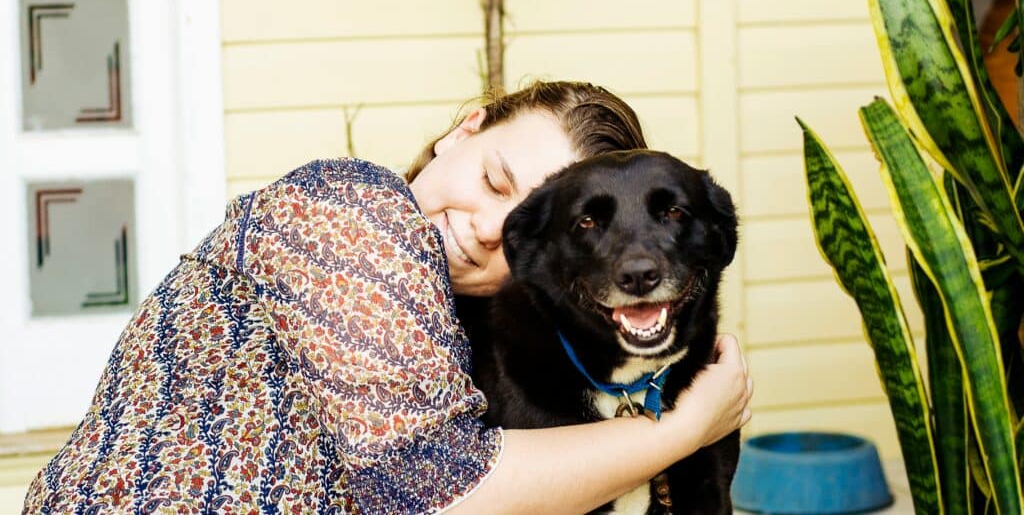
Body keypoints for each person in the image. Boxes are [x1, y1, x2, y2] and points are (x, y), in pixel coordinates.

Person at [23, 80, 753, 514]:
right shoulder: (348, 208)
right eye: (495, 180)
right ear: (462, 133)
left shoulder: (461, 338)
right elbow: (441, 493)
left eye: (526, 222)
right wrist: (685, 428)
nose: (489, 226)